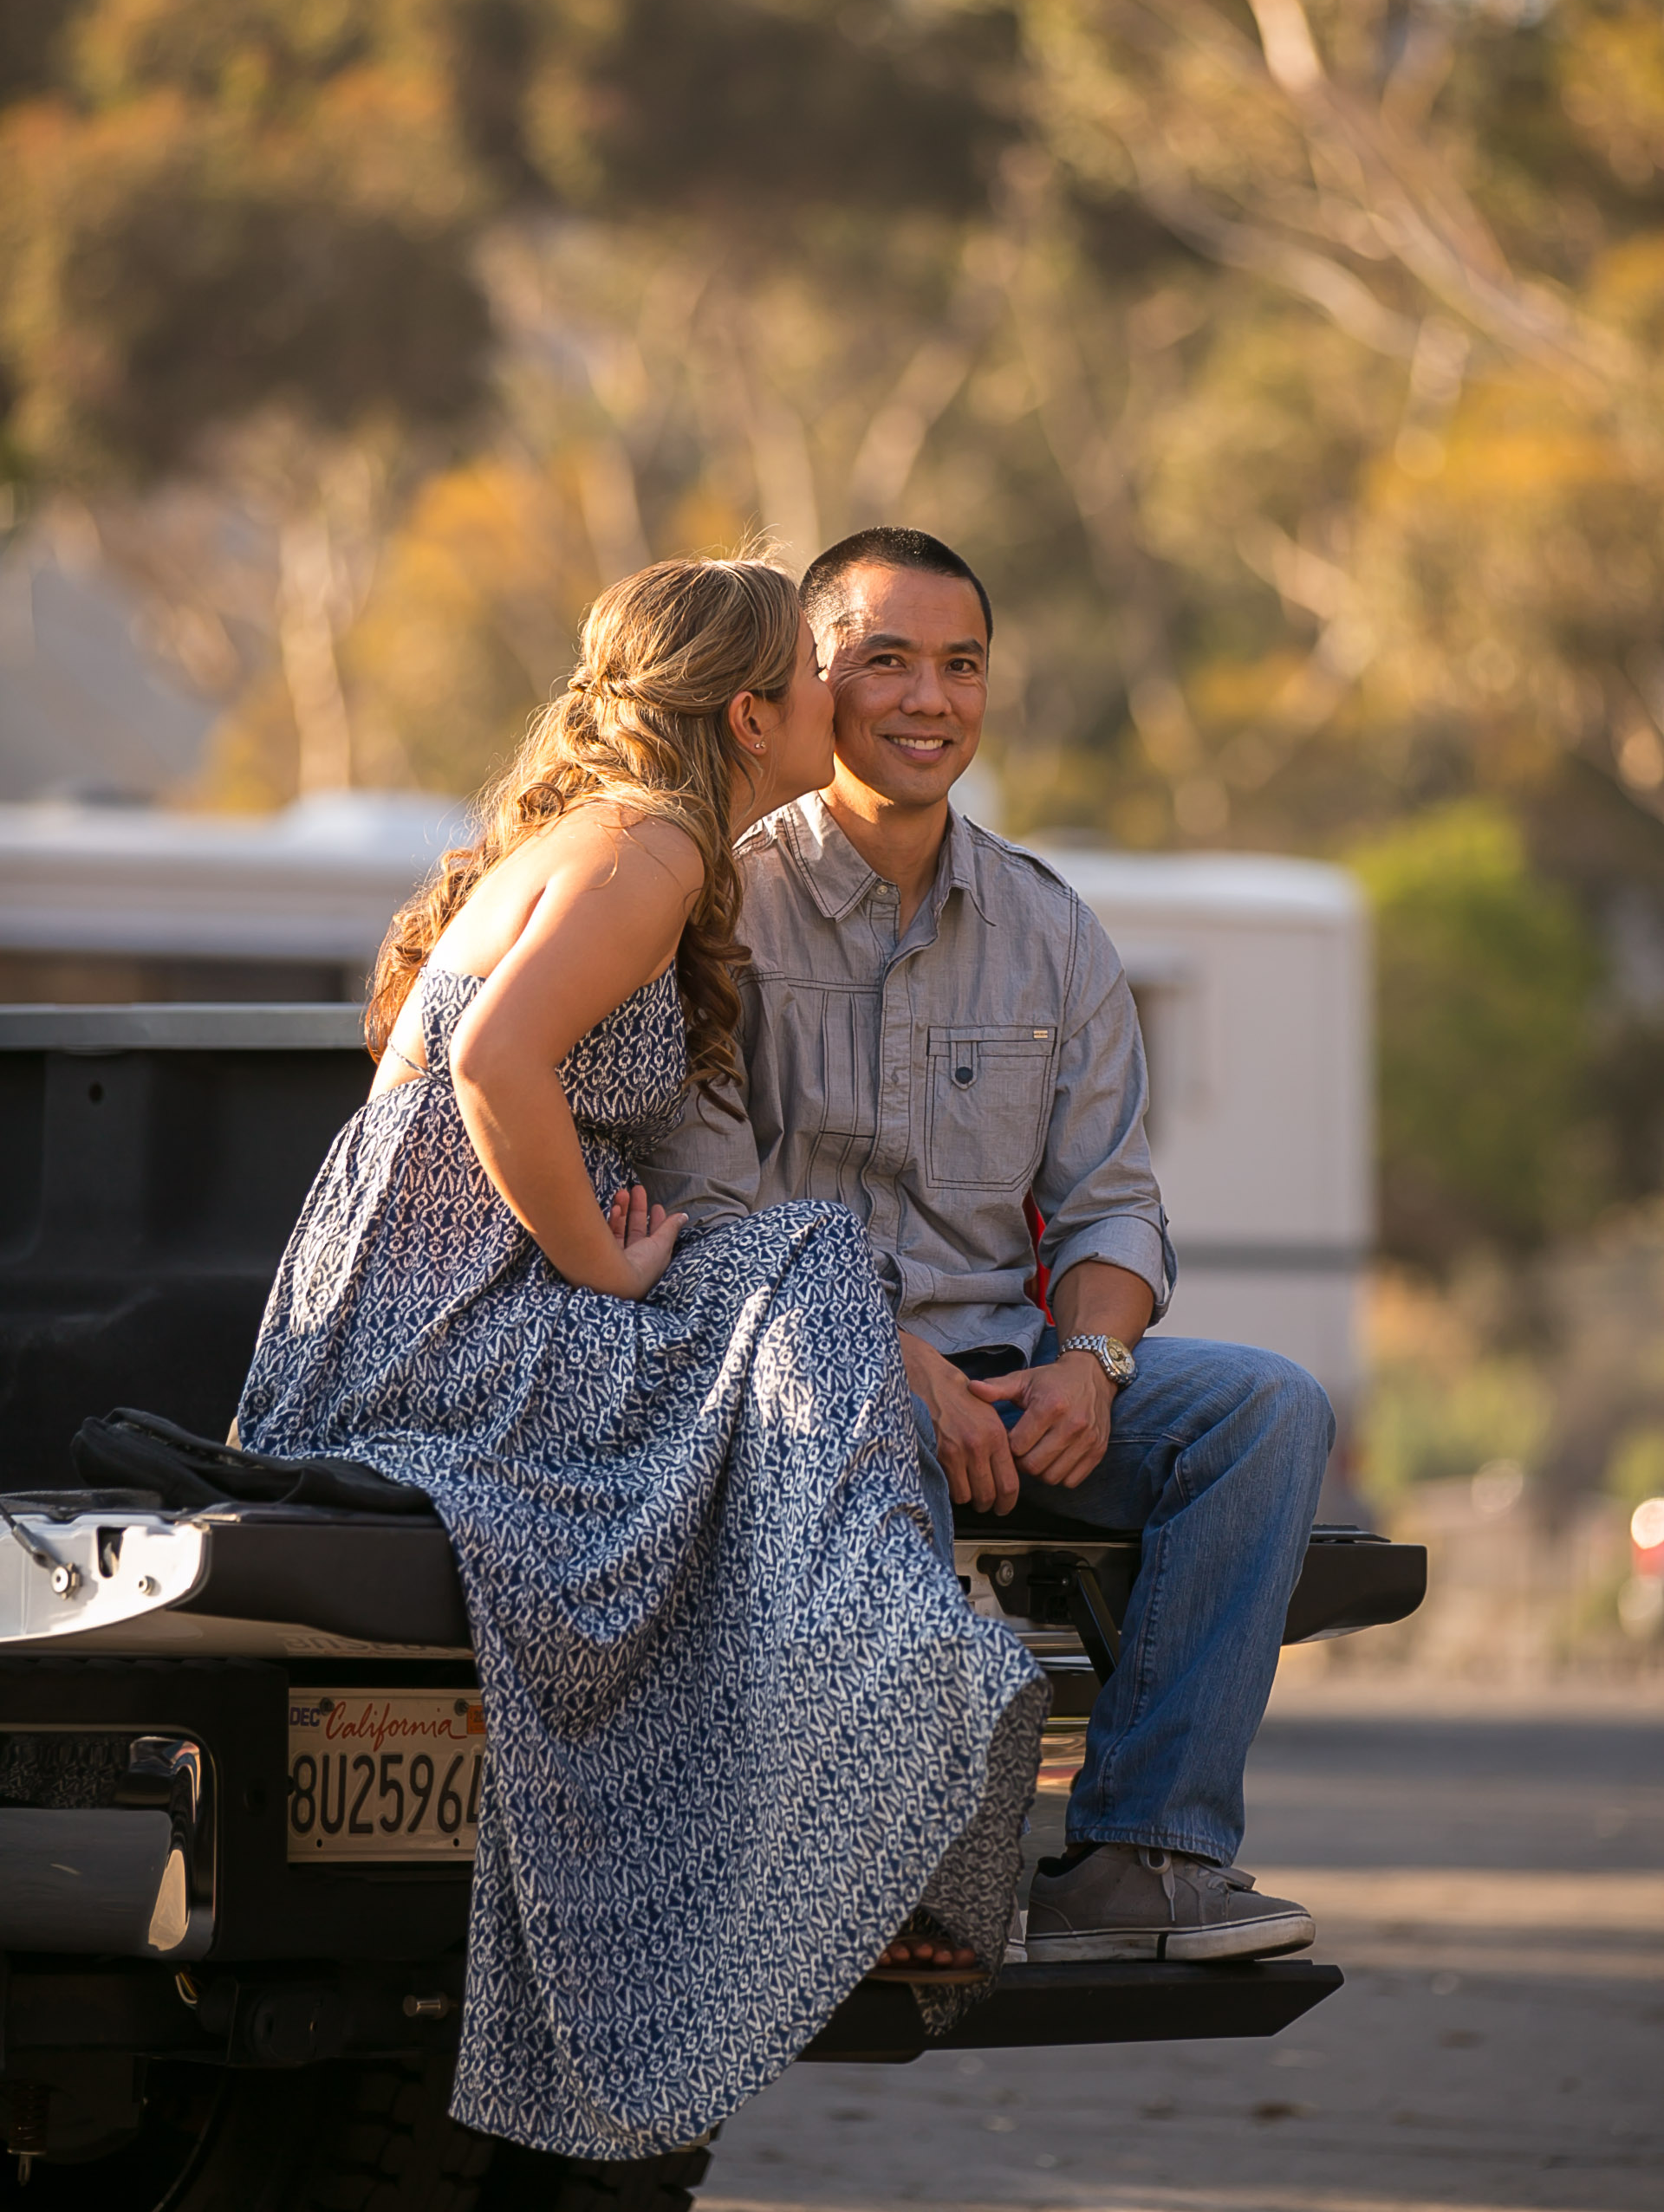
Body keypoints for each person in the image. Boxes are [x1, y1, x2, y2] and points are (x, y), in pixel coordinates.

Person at [237, 556, 1047, 2158]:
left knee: (772, 1276)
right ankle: (884, 1715)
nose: (850, 699)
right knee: (804, 1261)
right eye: (821, 680)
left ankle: (839, 1765)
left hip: (410, 1320)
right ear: (754, 716)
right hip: (441, 1343)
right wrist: (598, 1257)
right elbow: (487, 1057)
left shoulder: (599, 831)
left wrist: (592, 1238)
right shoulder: (655, 847)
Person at [640, 527, 1335, 1965]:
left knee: (1267, 1411)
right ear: (806, 685)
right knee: (869, 1433)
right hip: (796, 1375)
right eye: (883, 660)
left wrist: (1091, 1358)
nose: (928, 698)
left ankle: (1146, 1859)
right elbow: (713, 1224)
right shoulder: (719, 904)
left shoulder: (1051, 930)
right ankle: (882, 1881)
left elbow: (1112, 1204)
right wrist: (898, 1373)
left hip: (1008, 1370)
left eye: (960, 665)